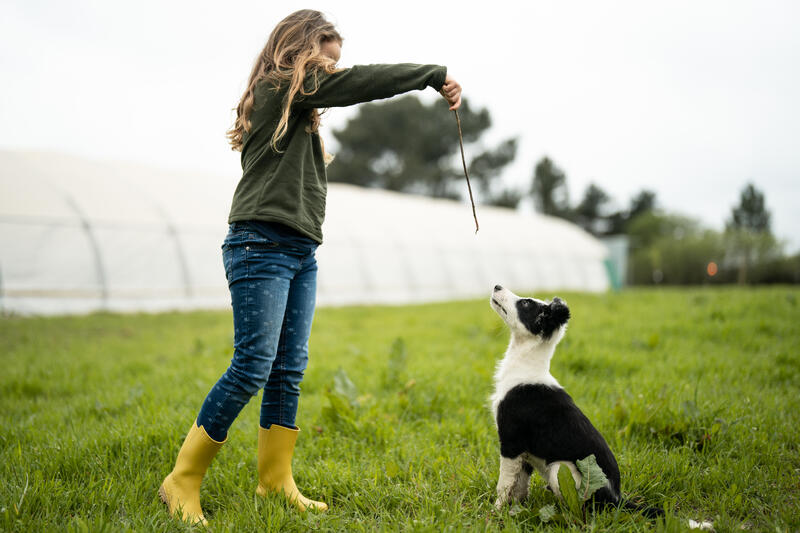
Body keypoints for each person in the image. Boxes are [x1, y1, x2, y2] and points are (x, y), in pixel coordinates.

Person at [158, 9, 462, 525]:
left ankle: (274, 481)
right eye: (326, 57)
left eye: (335, 61)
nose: (333, 69)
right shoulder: (279, 87)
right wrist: (430, 74)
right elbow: (362, 83)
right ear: (298, 46)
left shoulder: (299, 110)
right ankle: (181, 480)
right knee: (254, 363)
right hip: (259, 244)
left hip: (299, 252)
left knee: (287, 370)